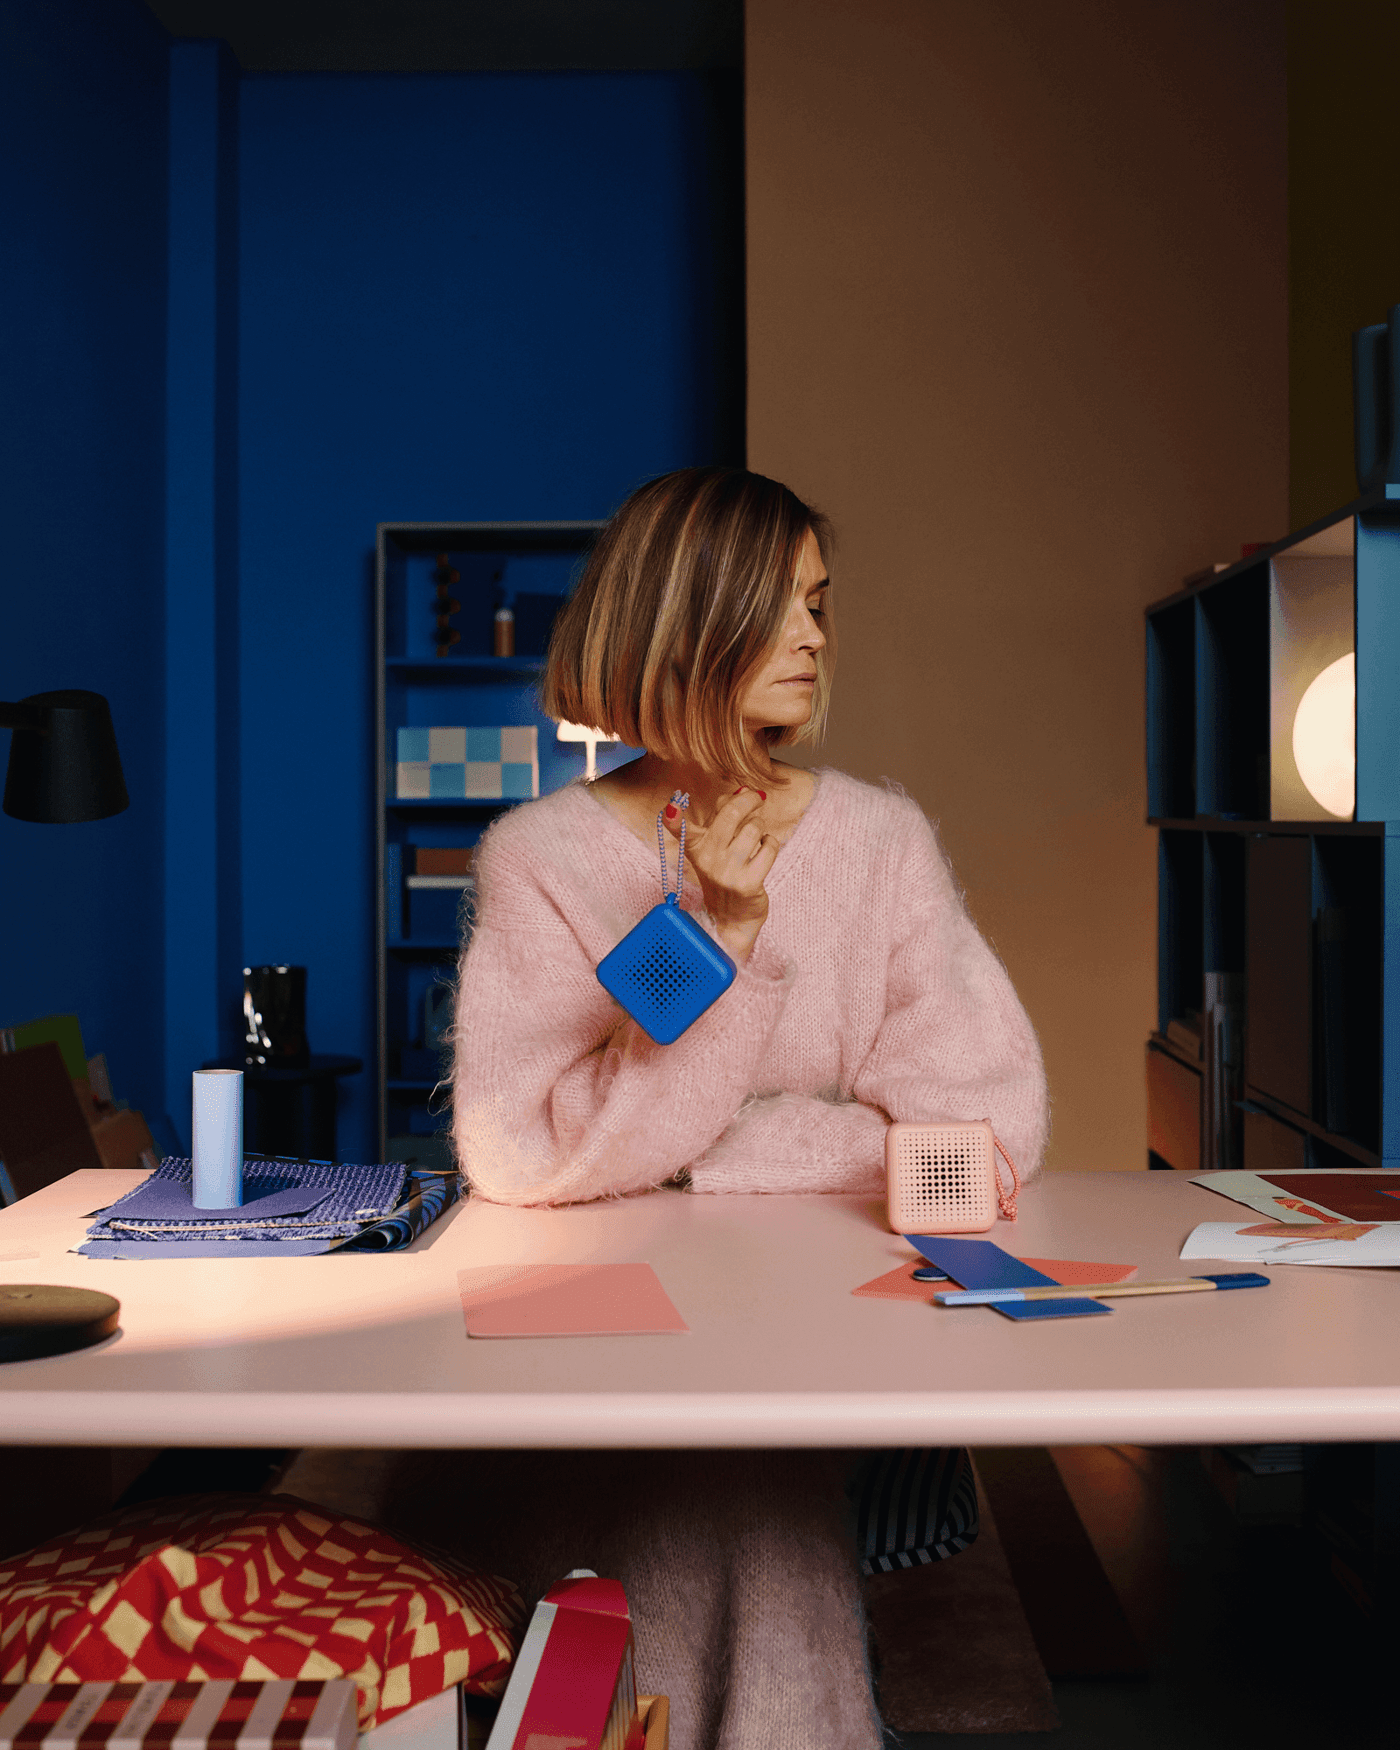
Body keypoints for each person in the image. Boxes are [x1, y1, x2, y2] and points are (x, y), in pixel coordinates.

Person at [445, 466, 1049, 1750]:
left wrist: (690, 1156)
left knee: (748, 1498)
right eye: (783, 608)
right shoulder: (541, 861)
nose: (819, 639)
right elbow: (520, 1149)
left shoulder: (881, 842)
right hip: (601, 1346)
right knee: (711, 1510)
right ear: (685, 620)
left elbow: (982, 1126)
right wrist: (720, 936)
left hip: (829, 1337)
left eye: (822, 605)